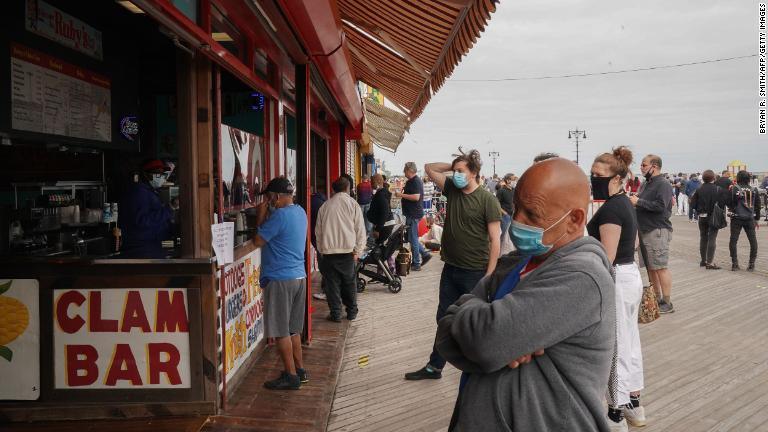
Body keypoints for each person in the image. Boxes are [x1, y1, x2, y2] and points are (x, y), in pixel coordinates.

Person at [435, 158, 615, 431]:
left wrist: (479, 324)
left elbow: (485, 342)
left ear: (574, 219)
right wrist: (492, 334)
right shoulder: (518, 260)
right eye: (517, 207)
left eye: (531, 214)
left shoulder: (582, 276)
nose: (517, 220)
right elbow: (445, 337)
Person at [405, 148, 502, 381]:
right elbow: (429, 167)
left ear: (474, 173)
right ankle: (434, 367)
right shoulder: (452, 189)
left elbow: (495, 239)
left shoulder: (487, 200)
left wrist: (489, 275)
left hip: (475, 272)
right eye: (455, 171)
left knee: (472, 323)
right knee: (444, 319)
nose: (456, 175)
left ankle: (480, 370)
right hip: (450, 268)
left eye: (461, 171)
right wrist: (454, 165)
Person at [587, 147, 646, 430]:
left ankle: (615, 413)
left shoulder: (611, 209)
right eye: (592, 174)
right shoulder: (624, 203)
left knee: (616, 345)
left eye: (599, 175)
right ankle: (634, 404)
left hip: (616, 277)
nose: (593, 179)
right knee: (630, 340)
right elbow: (632, 244)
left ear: (617, 178)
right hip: (629, 273)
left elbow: (606, 257)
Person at [252, 177, 307, 390]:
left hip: (280, 279)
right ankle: (300, 370)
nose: (269, 201)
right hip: (299, 277)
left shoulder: (279, 217)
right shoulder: (299, 212)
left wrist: (260, 216)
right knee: (293, 329)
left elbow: (258, 241)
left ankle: (290, 376)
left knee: (281, 331)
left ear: (275, 196)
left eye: (269, 197)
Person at [316, 176, 367, 322]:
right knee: (349, 283)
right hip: (347, 252)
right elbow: (360, 231)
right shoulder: (353, 204)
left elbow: (318, 232)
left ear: (333, 189)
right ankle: (351, 312)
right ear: (348, 188)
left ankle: (336, 314)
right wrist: (358, 250)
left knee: (332, 285)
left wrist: (321, 250)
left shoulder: (325, 206)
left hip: (329, 252)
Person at [629, 154, 675, 314]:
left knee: (660, 267)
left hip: (657, 230)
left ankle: (667, 302)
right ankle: (656, 297)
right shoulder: (646, 184)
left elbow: (661, 206)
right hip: (645, 230)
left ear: (654, 166)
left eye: (643, 165)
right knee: (651, 267)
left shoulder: (663, 184)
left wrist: (638, 202)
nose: (641, 168)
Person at [119, 159, 176, 259]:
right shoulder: (139, 192)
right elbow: (142, 221)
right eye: (157, 174)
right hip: (141, 250)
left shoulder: (150, 192)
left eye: (163, 174)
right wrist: (169, 208)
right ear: (145, 174)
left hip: (152, 247)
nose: (161, 177)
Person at [395, 162, 432, 271]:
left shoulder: (415, 181)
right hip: (412, 213)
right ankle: (424, 255)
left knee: (413, 238)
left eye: (405, 170)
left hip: (413, 214)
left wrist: (401, 195)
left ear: (409, 170)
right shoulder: (412, 181)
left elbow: (416, 197)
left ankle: (417, 263)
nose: (404, 172)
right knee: (412, 238)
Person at [689, 170, 724, 269]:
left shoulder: (699, 189)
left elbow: (692, 205)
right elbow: (722, 204)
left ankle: (703, 260)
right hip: (714, 217)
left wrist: (700, 210)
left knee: (703, 238)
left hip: (702, 216)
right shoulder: (718, 189)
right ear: (714, 178)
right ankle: (710, 262)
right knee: (712, 238)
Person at [728, 170, 761, 271]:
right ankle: (751, 264)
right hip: (749, 218)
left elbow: (730, 203)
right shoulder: (754, 189)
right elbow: (758, 206)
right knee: (753, 241)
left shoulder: (734, 188)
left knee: (733, 240)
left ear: (738, 178)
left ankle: (735, 263)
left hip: (737, 218)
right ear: (748, 179)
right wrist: (757, 219)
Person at [310, 189, 328, 301]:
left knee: (325, 266)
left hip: (321, 240)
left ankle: (326, 291)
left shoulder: (314, 203)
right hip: (324, 240)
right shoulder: (323, 202)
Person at [496, 173, 516, 241]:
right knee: (504, 234)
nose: (515, 181)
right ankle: (501, 249)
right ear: (508, 180)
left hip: (513, 215)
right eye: (513, 179)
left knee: (511, 235)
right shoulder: (501, 191)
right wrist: (504, 213)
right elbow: (496, 203)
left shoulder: (514, 190)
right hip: (505, 216)